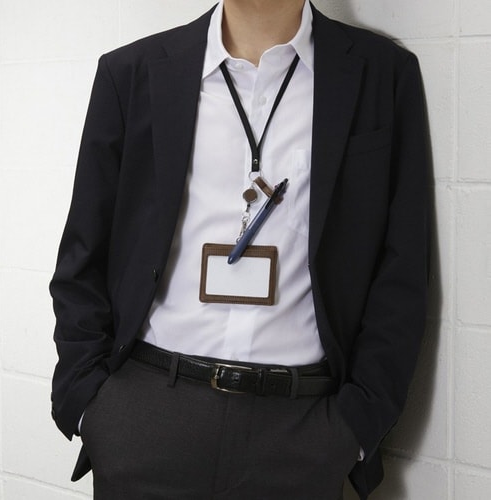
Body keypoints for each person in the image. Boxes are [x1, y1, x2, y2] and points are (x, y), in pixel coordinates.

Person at [50, 0, 429, 498]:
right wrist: (89, 403)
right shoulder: (131, 73)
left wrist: (355, 427)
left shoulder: (383, 74)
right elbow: (83, 252)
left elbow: (404, 269)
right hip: (146, 417)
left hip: (303, 431)